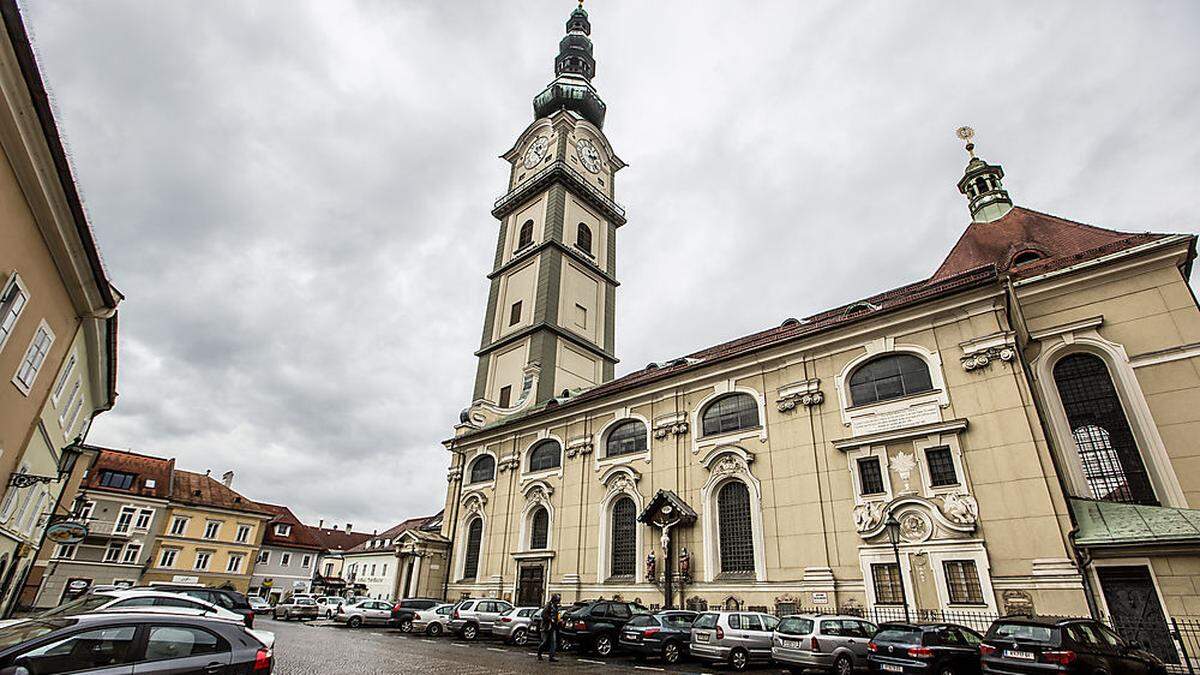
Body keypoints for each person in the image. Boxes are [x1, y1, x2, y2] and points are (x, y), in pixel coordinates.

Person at [536, 593, 561, 662]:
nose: (558, 602)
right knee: (544, 642)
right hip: (546, 627)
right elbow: (543, 614)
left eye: (558, 600)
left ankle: (551, 657)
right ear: (554, 600)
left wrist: (557, 620)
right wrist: (550, 619)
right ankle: (539, 653)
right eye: (557, 600)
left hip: (553, 627)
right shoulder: (548, 606)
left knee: (553, 642)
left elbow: (556, 615)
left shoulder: (556, 607)